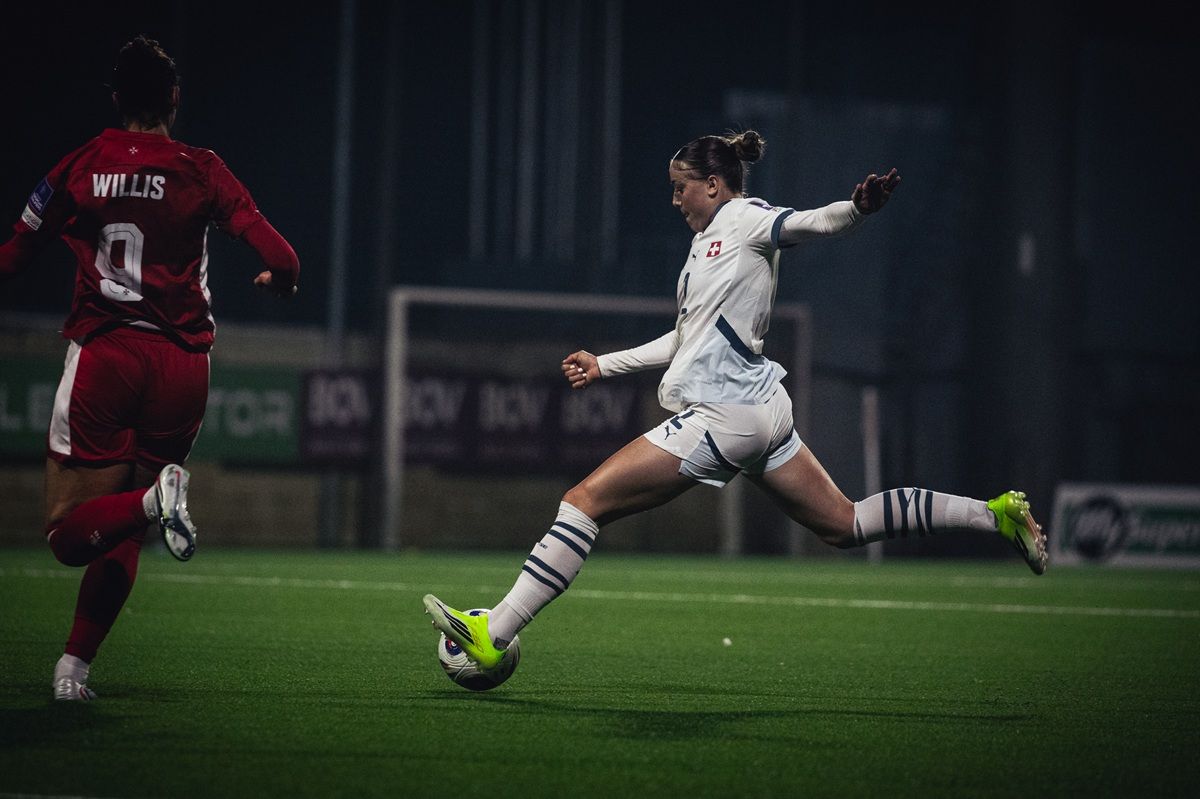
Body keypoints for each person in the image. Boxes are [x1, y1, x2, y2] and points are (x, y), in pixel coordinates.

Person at [423, 129, 1046, 672]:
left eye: (680, 187)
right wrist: (605, 363)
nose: (674, 199)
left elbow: (805, 222)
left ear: (715, 185)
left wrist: (856, 210)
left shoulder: (746, 220)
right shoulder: (707, 243)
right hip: (760, 414)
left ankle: (493, 632)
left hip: (725, 417)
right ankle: (995, 514)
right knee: (845, 523)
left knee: (583, 501)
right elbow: (686, 336)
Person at [0, 35, 300, 700]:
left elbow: (14, 257)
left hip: (107, 355)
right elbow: (283, 256)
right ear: (173, 98)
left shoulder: (81, 165)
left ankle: (149, 503)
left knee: (66, 529)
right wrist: (278, 280)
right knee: (124, 519)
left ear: (115, 98)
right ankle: (74, 666)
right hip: (182, 367)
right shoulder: (201, 167)